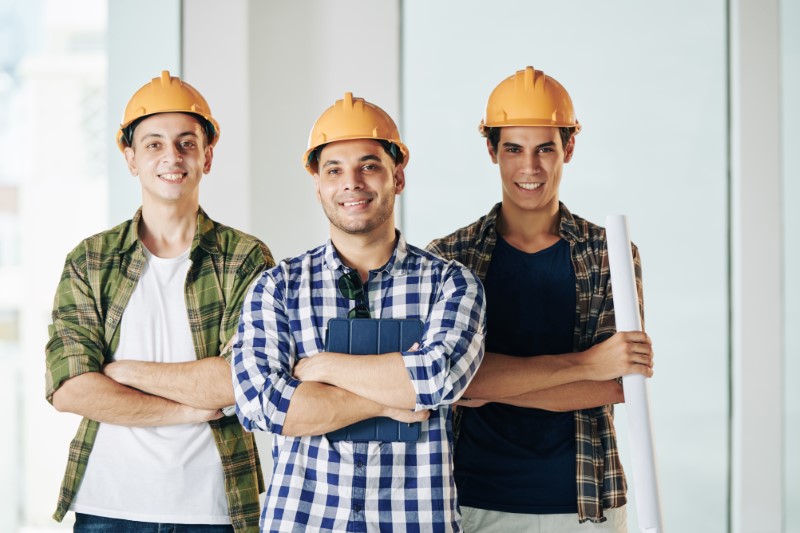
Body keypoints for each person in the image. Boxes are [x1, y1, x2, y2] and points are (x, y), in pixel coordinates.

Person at [232, 92, 486, 532]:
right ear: (318, 184)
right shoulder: (277, 287)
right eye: (334, 170)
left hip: (415, 520)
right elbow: (267, 407)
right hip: (303, 520)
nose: (352, 182)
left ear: (397, 177)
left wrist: (322, 368)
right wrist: (392, 402)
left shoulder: (450, 283)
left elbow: (437, 377)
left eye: (369, 165)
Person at [427, 66, 654, 532]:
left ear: (568, 147)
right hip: (471, 502)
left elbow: (615, 385)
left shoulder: (607, 253)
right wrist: (587, 363)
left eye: (545, 148)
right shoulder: (449, 258)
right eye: (513, 149)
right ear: (492, 150)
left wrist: (488, 382)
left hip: (587, 504)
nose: (530, 168)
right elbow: (449, 384)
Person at [45, 71, 273, 532]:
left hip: (215, 508)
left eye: (187, 143)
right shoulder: (90, 260)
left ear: (207, 156)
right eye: (153, 144)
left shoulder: (245, 258)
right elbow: (69, 388)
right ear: (129, 157)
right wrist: (186, 409)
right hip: (108, 508)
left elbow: (238, 383)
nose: (172, 156)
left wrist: (122, 371)